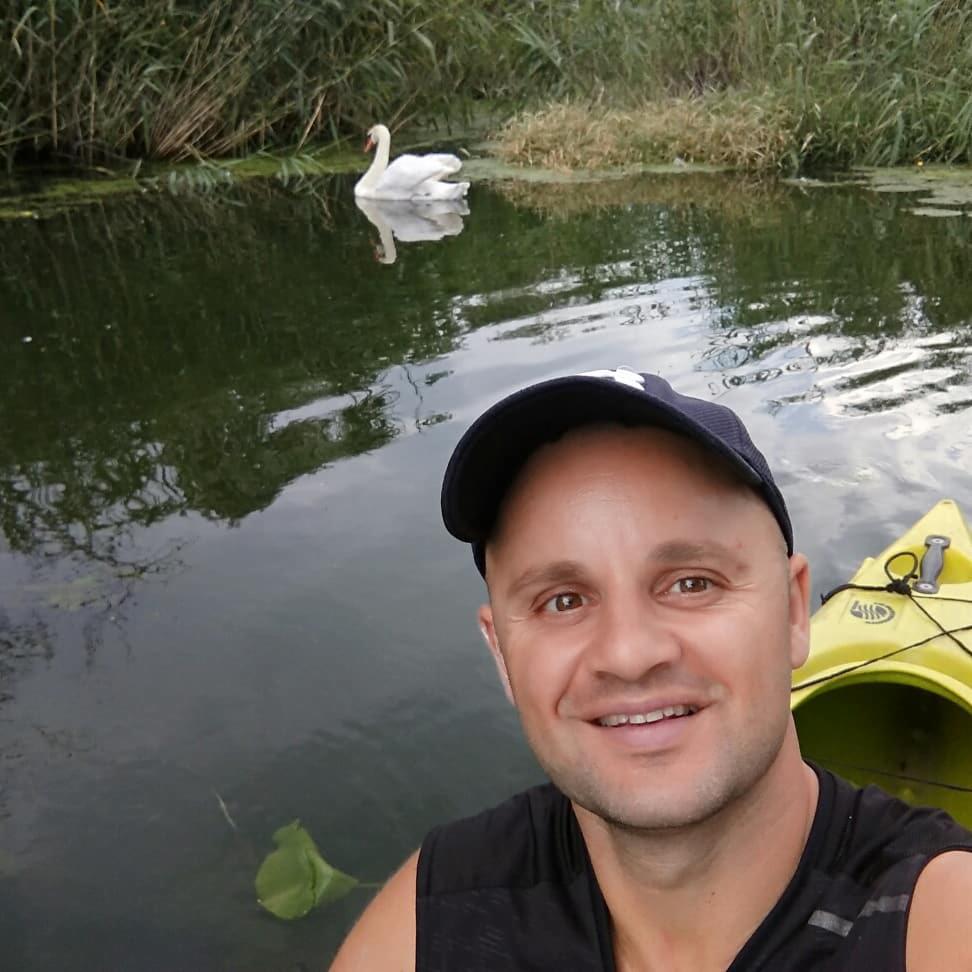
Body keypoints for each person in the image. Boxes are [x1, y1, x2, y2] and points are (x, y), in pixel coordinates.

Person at [332, 368, 972, 971]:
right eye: (563, 601)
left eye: (692, 582)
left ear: (793, 614)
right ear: (501, 653)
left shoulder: (938, 916)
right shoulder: (432, 915)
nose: (629, 654)